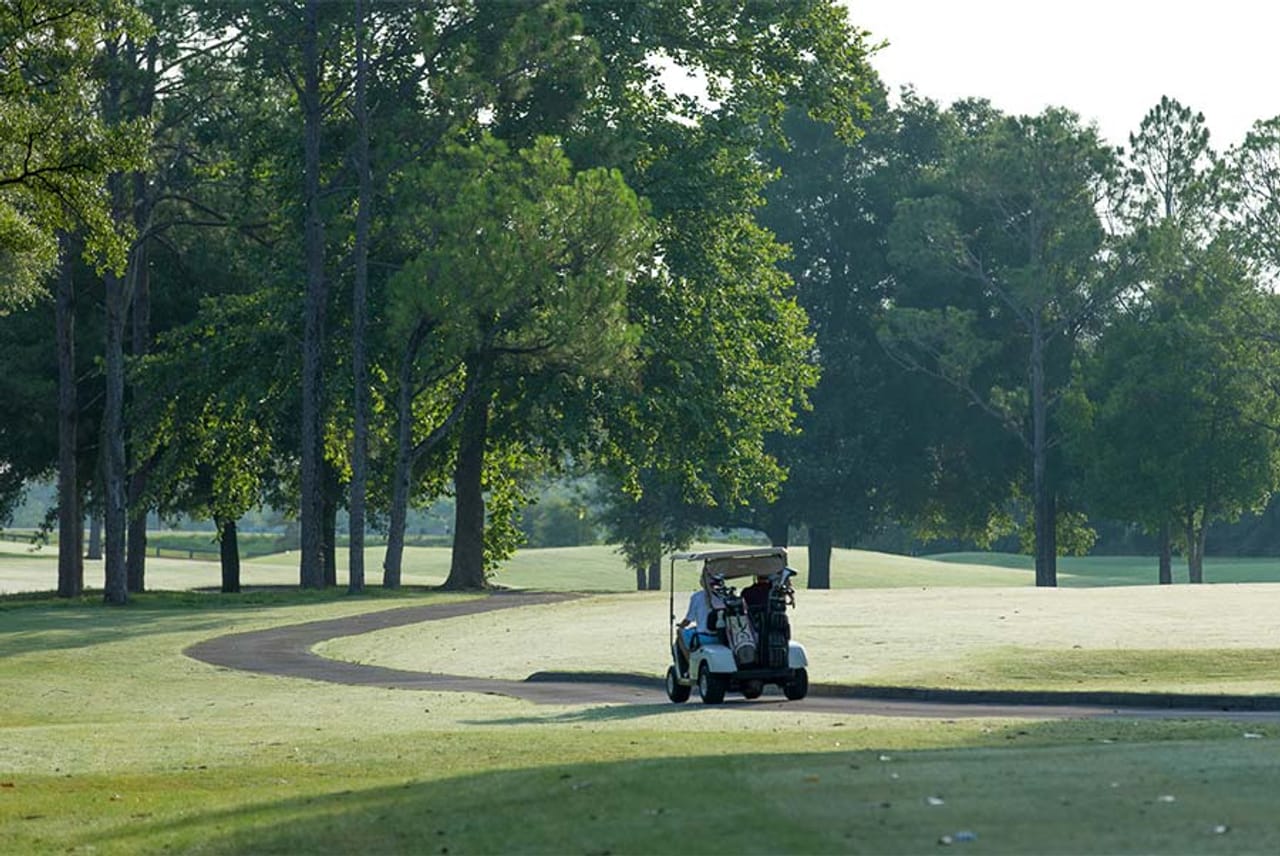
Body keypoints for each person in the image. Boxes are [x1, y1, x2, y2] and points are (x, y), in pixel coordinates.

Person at [676, 586, 715, 665]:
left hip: (703, 637)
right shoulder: (724, 595)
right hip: (722, 637)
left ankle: (689, 663)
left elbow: (688, 620)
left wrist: (681, 626)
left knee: (680, 632)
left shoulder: (697, 596)